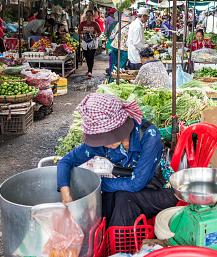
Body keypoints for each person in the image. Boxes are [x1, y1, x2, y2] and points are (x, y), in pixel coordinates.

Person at [57, 93, 178, 227]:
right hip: (133, 188)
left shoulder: (149, 136)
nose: (104, 144)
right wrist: (66, 195)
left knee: (123, 199)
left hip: (162, 191)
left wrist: (96, 185)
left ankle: (120, 246)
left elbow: (136, 184)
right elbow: (66, 161)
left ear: (119, 128)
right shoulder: (102, 145)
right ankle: (101, 240)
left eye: (106, 137)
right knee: (106, 200)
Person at [78, 10, 102, 77]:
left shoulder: (95, 24)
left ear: (92, 16)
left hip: (93, 42)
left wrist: (96, 35)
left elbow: (99, 32)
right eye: (87, 15)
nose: (88, 16)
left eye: (90, 15)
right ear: (85, 16)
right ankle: (89, 70)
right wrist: (84, 32)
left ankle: (90, 71)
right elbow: (79, 31)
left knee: (91, 57)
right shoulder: (82, 23)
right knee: (86, 56)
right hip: (85, 42)